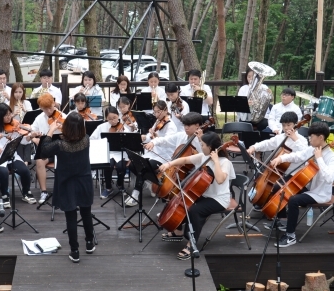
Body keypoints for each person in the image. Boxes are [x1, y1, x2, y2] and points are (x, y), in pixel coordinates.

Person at [157, 132, 234, 260]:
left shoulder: (224, 162)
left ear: (210, 147)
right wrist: (169, 164)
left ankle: (191, 244)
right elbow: (186, 159)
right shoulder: (204, 156)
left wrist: (215, 162)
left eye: (202, 144)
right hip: (205, 194)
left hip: (219, 199)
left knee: (195, 211)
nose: (200, 146)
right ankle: (178, 232)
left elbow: (220, 180)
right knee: (183, 201)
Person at [36, 111, 96, 263]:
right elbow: (75, 137)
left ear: (67, 128)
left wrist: (51, 130)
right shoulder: (86, 140)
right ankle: (89, 243)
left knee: (71, 217)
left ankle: (74, 251)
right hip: (84, 181)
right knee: (86, 212)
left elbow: (43, 150)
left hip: (67, 182)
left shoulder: (60, 145)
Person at [268, 122, 334, 248]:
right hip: (311, 190)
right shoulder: (313, 149)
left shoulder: (332, 157)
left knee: (294, 200)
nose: (309, 139)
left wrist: (320, 159)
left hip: (321, 194)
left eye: (311, 137)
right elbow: (298, 155)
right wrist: (281, 159)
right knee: (281, 186)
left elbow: (329, 179)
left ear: (321, 137)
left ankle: (291, 236)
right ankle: (283, 222)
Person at [126, 100, 177, 206]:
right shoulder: (158, 122)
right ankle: (149, 181)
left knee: (143, 167)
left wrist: (155, 137)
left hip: (163, 156)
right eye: (155, 112)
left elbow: (167, 142)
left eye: (158, 112)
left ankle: (136, 195)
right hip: (153, 153)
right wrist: (143, 137)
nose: (156, 115)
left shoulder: (171, 126)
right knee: (132, 165)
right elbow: (150, 137)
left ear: (165, 110)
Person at [0, 102, 36, 205]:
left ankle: (26, 192)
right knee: (3, 172)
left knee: (25, 170)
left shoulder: (13, 127)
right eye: (6, 115)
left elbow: (23, 141)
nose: (9, 117)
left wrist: (30, 136)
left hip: (11, 156)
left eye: (10, 114)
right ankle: (5, 195)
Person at [90, 106, 134, 199]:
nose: (113, 121)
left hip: (122, 153)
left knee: (121, 166)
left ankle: (120, 184)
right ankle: (109, 187)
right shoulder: (101, 127)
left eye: (114, 118)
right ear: (106, 118)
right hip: (107, 153)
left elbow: (131, 142)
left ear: (118, 116)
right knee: (108, 165)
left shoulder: (124, 126)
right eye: (110, 119)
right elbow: (92, 139)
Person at [247, 112, 309, 176]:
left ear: (295, 124)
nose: (285, 128)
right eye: (283, 125)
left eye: (288, 125)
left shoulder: (302, 140)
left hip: (294, 174)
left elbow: (305, 155)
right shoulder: (280, 137)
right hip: (278, 172)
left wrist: (295, 139)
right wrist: (254, 147)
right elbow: (267, 143)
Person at [29, 93, 61, 205]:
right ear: (41, 108)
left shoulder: (63, 116)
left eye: (50, 107)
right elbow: (31, 133)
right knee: (39, 160)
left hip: (61, 149)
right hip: (47, 150)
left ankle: (64, 189)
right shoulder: (39, 118)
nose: (48, 111)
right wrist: (35, 139)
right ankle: (44, 191)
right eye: (45, 109)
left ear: (54, 103)